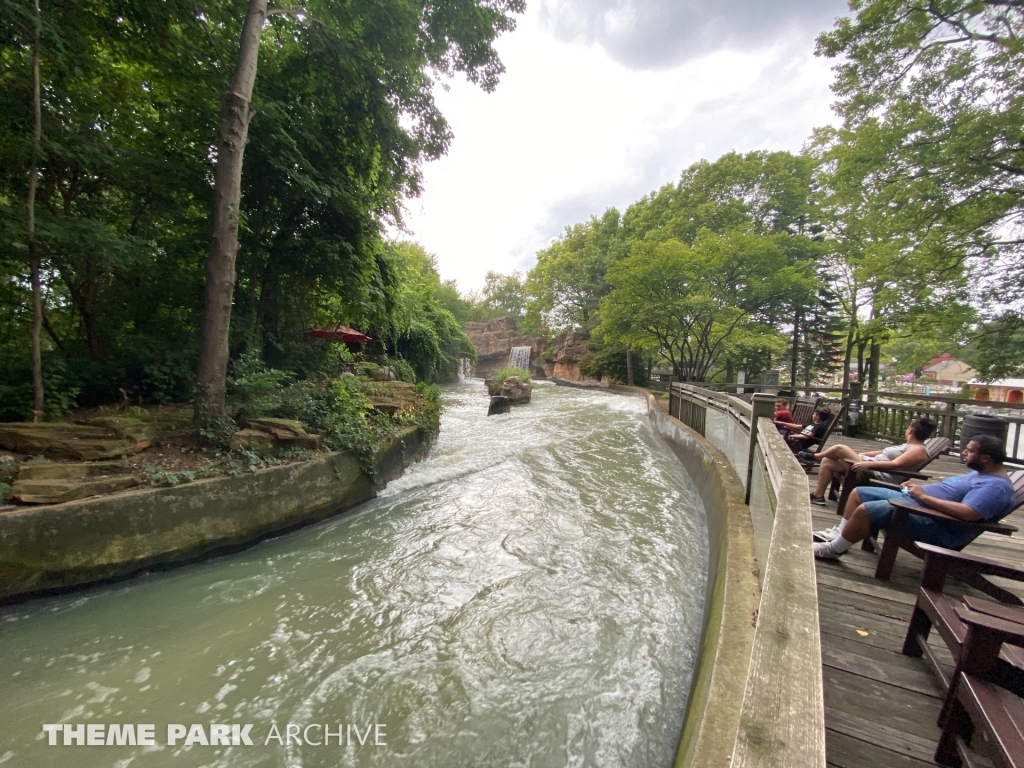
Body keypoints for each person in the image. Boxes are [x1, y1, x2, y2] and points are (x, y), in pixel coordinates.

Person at [812, 435, 1016, 559]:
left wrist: (923, 497)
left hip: (934, 523)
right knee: (858, 493)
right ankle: (840, 535)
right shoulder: (983, 473)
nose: (964, 453)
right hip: (916, 502)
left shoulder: (995, 487)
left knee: (866, 510)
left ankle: (834, 549)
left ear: (986, 458)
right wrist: (918, 490)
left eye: (970, 451)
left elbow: (969, 514)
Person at [804, 417, 936, 506]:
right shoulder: (908, 446)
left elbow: (896, 464)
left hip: (876, 475)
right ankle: (818, 496)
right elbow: (883, 452)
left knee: (840, 448)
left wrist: (868, 463)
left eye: (908, 428)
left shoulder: (918, 450)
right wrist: (863, 454)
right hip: (868, 466)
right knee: (828, 461)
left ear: (911, 430)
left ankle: (815, 457)